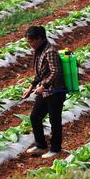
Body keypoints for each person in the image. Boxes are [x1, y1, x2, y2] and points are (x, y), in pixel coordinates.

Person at [22, 26, 66, 159]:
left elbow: (56, 71)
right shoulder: (39, 50)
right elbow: (41, 72)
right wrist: (31, 87)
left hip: (55, 92)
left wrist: (44, 85)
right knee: (35, 117)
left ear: (39, 39)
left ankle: (55, 149)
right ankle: (41, 145)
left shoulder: (50, 51)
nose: (30, 44)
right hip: (45, 91)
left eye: (31, 41)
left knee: (55, 121)